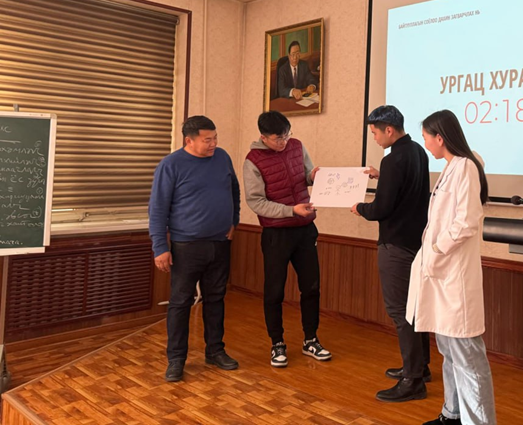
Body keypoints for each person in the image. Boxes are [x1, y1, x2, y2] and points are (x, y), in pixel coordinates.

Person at [407, 110, 497, 425]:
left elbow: (466, 222)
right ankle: (452, 414)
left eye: (426, 138)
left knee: (467, 355)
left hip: (453, 275)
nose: (425, 145)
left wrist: (436, 249)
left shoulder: (466, 167)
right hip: (441, 274)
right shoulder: (451, 167)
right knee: (449, 349)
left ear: (440, 137)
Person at [148, 115, 241, 383]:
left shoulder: (222, 157)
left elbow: (234, 190)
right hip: (186, 246)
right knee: (181, 303)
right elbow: (157, 209)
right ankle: (176, 359)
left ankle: (215, 351)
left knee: (216, 298)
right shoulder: (170, 165)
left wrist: (233, 221)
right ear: (189, 140)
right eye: (207, 140)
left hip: (220, 243)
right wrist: (160, 247)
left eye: (215, 138)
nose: (213, 144)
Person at [350, 105, 431, 403]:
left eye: (374, 133)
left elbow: (382, 208)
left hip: (395, 244)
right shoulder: (417, 152)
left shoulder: (393, 159)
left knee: (400, 312)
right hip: (416, 242)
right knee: (416, 309)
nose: (374, 138)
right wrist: (380, 175)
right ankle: (420, 367)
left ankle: (413, 381)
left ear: (389, 129)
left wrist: (360, 208)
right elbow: (406, 191)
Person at [243, 110, 331, 367]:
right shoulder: (253, 161)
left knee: (311, 287)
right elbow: (256, 202)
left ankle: (311, 339)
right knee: (274, 291)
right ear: (263, 137)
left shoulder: (296, 146)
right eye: (278, 138)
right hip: (276, 234)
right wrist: (290, 210)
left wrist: (313, 177)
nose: (284, 142)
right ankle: (277, 343)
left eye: (286, 135)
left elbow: (305, 175)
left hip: (305, 229)